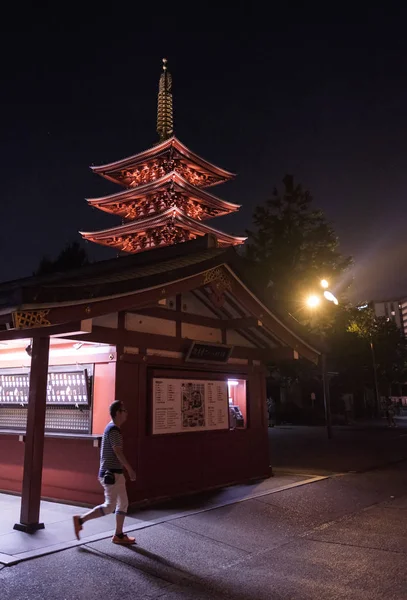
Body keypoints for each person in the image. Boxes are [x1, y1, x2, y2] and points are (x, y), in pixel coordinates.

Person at [73, 400, 137, 544]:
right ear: (118, 413)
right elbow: (118, 452)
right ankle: (80, 520)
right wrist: (130, 469)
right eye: (124, 410)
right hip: (112, 474)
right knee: (109, 506)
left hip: (114, 473)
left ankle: (119, 535)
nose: (126, 413)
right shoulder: (114, 430)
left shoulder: (111, 428)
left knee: (123, 503)